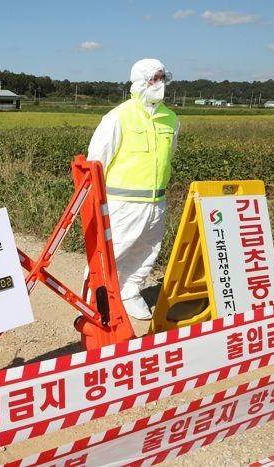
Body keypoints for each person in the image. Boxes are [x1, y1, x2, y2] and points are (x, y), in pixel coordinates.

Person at [87, 58, 180, 320]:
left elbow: (167, 157)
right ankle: (93, 300)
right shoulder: (118, 117)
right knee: (112, 253)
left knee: (147, 251)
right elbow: (97, 160)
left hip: (156, 202)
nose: (159, 84)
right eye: (154, 78)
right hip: (121, 203)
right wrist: (95, 201)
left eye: (163, 78)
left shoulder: (170, 119)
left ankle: (130, 292)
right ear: (139, 81)